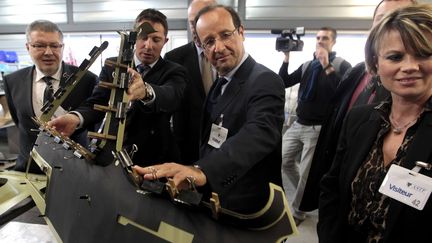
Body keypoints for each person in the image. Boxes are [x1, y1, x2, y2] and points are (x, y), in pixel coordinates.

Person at [134, 5, 285, 214]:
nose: (218, 47)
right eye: (209, 42)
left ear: (241, 33)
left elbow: (259, 133)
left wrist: (203, 170)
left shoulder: (264, 80)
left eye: (225, 35)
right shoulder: (220, 84)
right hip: (219, 199)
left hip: (249, 207)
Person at [318, 4, 432, 242]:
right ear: (376, 63)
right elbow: (332, 188)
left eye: (423, 53)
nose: (410, 66)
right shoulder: (359, 118)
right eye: (395, 56)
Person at [301, 0, 417, 212]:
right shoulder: (356, 72)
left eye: (402, 19)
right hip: (338, 179)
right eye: (383, 20)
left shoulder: (408, 83)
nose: (393, 27)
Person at [48, 9, 187, 166]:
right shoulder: (112, 66)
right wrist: (75, 118)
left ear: (165, 41)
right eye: (144, 37)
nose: (148, 45)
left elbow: (171, 96)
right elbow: (97, 103)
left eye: (156, 39)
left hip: (154, 159)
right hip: (111, 156)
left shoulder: (174, 71)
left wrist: (146, 91)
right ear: (134, 37)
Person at [278, 26, 351, 224]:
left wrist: (326, 65)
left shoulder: (341, 65)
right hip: (298, 123)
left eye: (325, 38)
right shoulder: (307, 65)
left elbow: (342, 93)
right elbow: (283, 81)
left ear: (333, 42)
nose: (320, 41)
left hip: (318, 129)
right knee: (283, 161)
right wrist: (286, 57)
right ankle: (308, 194)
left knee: (306, 174)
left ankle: (299, 211)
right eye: (318, 37)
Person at [4, 20, 98, 173]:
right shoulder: (13, 81)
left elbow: (93, 119)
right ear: (28, 47)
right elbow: (20, 119)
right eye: (39, 45)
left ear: (62, 47)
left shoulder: (86, 79)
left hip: (76, 170)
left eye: (54, 46)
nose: (48, 52)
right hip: (30, 168)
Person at [164, 0, 216, 164]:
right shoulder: (174, 59)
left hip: (225, 146)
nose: (194, 27)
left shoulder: (228, 56)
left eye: (199, 20)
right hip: (187, 149)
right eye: (191, 22)